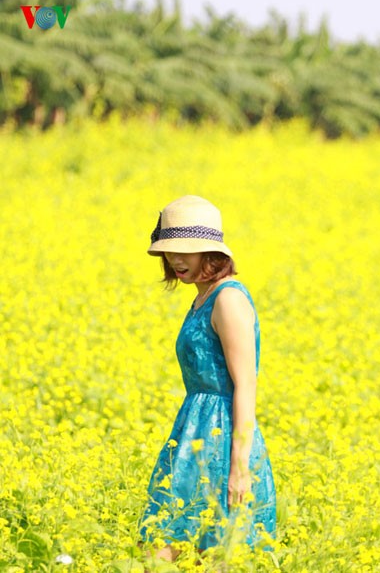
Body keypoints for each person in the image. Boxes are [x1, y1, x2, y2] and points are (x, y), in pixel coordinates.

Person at [137, 195, 276, 565]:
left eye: (188, 251)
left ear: (211, 252)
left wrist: (239, 467)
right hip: (191, 432)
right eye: (169, 252)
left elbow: (246, 384)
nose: (177, 260)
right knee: (160, 550)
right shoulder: (203, 296)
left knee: (208, 554)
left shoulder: (227, 299)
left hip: (223, 438)